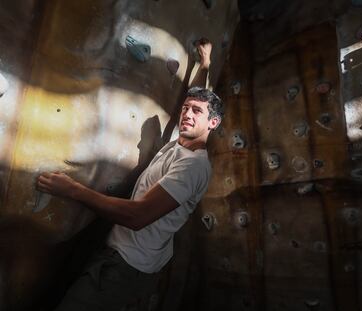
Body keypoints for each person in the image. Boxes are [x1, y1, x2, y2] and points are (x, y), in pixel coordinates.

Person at [36, 40, 224, 311]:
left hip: (125, 265)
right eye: (185, 108)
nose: (187, 114)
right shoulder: (181, 143)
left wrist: (71, 189)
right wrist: (205, 64)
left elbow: (138, 217)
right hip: (130, 255)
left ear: (213, 123)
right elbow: (199, 95)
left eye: (196, 111)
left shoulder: (191, 167)